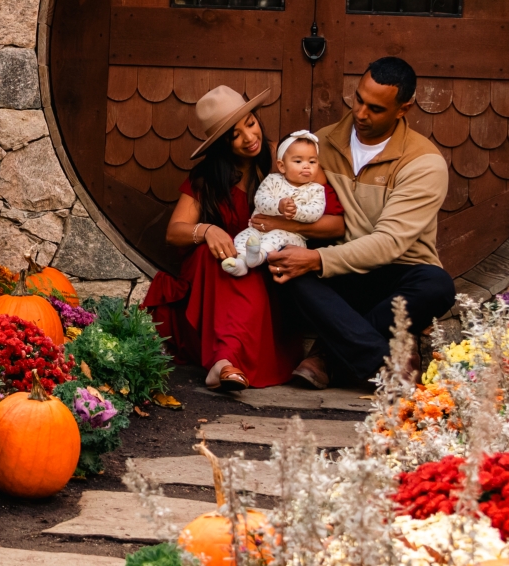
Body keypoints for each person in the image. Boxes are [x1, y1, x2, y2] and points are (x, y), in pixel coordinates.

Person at [266, 56, 458, 390]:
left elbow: (388, 243)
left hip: (396, 273)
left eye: (376, 108)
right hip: (337, 277)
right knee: (283, 268)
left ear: (404, 108)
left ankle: (326, 355)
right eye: (358, 99)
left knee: (437, 286)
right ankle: (385, 364)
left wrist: (318, 259)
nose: (360, 113)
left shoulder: (423, 162)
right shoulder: (318, 145)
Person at [145, 86, 345, 392]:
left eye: (250, 123)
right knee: (212, 256)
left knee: (250, 272)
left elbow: (334, 225)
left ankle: (225, 362)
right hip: (214, 278)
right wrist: (208, 230)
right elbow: (175, 232)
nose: (249, 138)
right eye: (234, 135)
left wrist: (277, 223)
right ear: (222, 144)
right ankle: (224, 364)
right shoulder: (208, 177)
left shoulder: (289, 157)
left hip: (267, 270)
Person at [222, 131, 337, 277]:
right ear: (282, 166)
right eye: (298, 161)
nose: (306, 166)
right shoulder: (272, 180)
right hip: (259, 228)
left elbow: (316, 211)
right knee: (245, 237)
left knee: (275, 237)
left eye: (312, 162)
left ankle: (258, 257)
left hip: (291, 236)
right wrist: (279, 206)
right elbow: (260, 200)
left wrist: (297, 211)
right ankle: (242, 262)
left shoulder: (316, 190)